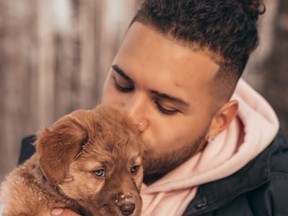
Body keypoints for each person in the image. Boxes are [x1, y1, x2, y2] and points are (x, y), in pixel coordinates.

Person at [15, 0, 288, 215]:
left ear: (220, 120)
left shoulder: (275, 200)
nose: (130, 117)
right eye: (122, 84)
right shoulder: (50, 161)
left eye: (166, 107)